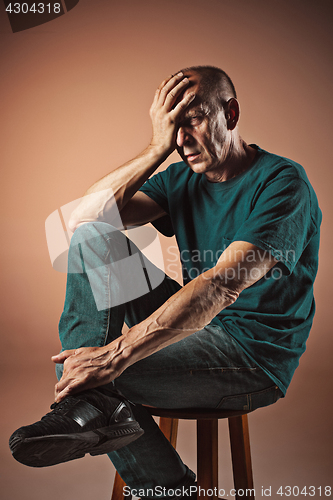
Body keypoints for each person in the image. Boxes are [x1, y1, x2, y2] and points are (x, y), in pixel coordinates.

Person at [10, 66, 321, 497]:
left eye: (191, 120)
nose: (181, 140)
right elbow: (83, 221)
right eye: (171, 127)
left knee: (95, 377)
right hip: (197, 327)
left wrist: (114, 355)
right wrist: (156, 147)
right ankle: (92, 396)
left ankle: (153, 473)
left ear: (230, 113)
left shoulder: (283, 184)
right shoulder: (182, 177)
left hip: (253, 356)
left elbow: (220, 286)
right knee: (92, 238)